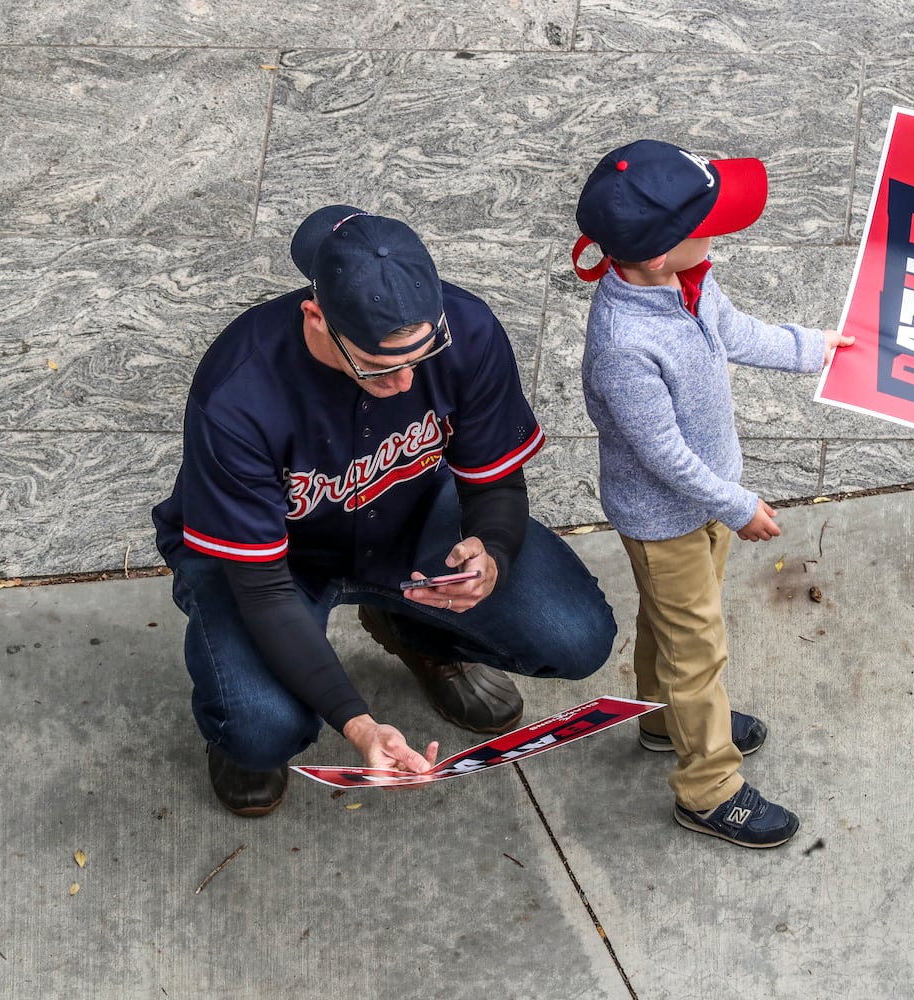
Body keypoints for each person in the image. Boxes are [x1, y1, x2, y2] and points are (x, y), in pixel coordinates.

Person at [153, 205, 617, 817]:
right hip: (272, 565)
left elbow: (497, 484)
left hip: (413, 523)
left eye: (421, 359)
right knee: (261, 728)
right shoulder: (237, 391)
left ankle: (415, 631)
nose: (405, 384)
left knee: (577, 637)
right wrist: (360, 726)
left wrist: (493, 551)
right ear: (316, 318)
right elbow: (263, 590)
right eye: (378, 366)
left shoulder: (469, 329)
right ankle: (241, 740)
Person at [572, 139, 853, 848]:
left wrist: (814, 347)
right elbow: (661, 454)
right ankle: (708, 789)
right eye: (711, 223)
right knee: (698, 650)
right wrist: (736, 504)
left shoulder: (687, 282)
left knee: (671, 627)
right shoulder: (625, 347)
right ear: (662, 251)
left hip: (705, 504)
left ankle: (663, 719)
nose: (721, 234)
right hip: (669, 517)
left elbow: (735, 333)